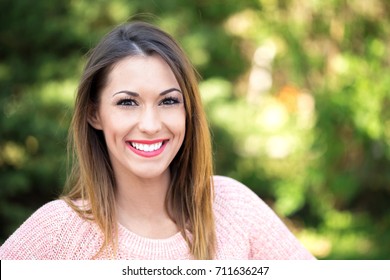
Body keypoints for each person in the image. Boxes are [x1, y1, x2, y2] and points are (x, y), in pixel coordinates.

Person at [0, 21, 314, 260]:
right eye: (127, 102)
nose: (150, 125)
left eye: (168, 101)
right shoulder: (59, 231)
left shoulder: (234, 209)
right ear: (95, 114)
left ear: (188, 111)